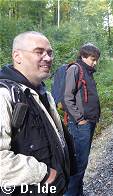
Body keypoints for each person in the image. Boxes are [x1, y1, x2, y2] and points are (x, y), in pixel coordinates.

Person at [0, 31, 70, 195]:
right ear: (17, 56)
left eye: (50, 53)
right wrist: (42, 173)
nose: (47, 58)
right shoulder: (4, 95)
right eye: (39, 52)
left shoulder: (41, 93)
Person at [63, 43, 101, 195]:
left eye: (96, 59)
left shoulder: (88, 71)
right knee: (78, 163)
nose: (95, 62)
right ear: (84, 56)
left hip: (89, 122)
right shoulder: (75, 69)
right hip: (80, 125)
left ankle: (78, 192)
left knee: (82, 163)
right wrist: (80, 119)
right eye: (93, 59)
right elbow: (67, 98)